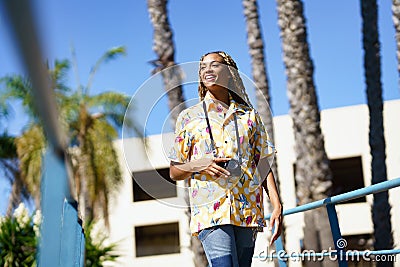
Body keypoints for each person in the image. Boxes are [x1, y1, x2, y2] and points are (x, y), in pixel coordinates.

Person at [169, 51, 282, 267]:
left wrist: (276, 205)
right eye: (203, 67)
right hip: (211, 212)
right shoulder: (188, 117)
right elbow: (174, 171)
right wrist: (198, 164)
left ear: (229, 72)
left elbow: (263, 163)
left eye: (215, 65)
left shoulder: (250, 116)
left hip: (247, 210)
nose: (207, 70)